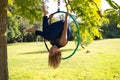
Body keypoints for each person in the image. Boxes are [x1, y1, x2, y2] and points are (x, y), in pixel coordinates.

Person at [25, 3, 70, 68]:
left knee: (47, 33)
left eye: (49, 51)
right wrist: (66, 17)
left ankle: (44, 16)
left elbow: (49, 30)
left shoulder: (52, 43)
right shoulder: (62, 42)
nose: (50, 50)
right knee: (48, 36)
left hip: (58, 26)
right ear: (57, 52)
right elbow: (65, 29)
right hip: (64, 25)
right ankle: (35, 31)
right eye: (52, 52)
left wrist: (50, 19)